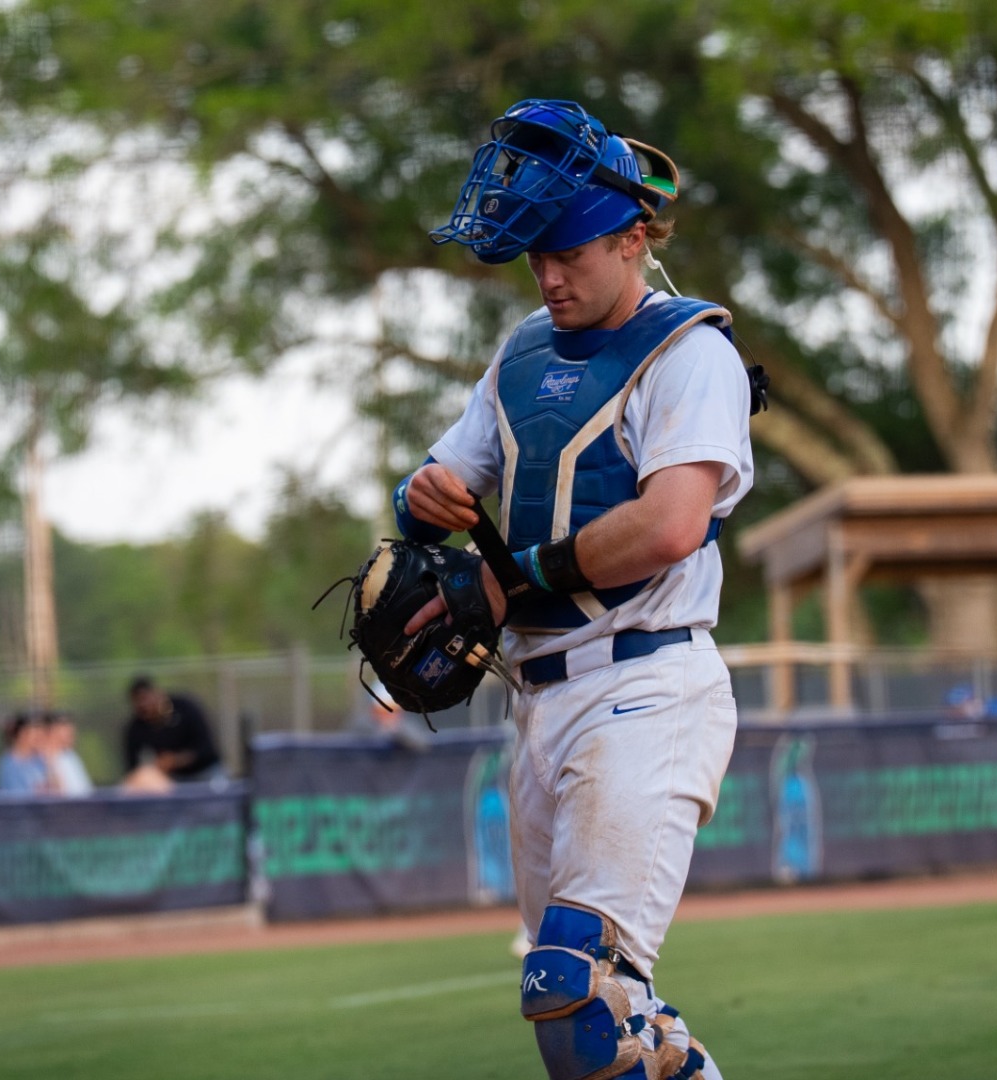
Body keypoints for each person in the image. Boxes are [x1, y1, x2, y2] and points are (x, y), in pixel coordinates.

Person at [409, 99, 753, 1080]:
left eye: (570, 252)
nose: (550, 275)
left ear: (633, 236)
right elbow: (446, 478)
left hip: (649, 687)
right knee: (587, 1015)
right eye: (536, 257)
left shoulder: (690, 354)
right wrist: (419, 504)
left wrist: (515, 577)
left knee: (578, 986)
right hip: (539, 704)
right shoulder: (519, 353)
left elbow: (673, 522)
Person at [121, 676, 220, 782]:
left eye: (146, 699)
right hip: (172, 780)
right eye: (139, 702)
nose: (144, 706)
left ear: (158, 694)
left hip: (206, 772)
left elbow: (207, 749)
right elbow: (133, 766)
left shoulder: (185, 708)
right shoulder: (136, 728)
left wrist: (176, 760)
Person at [42, 710, 94, 796]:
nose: (72, 732)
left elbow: (85, 791)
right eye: (65, 727)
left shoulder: (70, 756)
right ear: (52, 730)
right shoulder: (39, 760)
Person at [0, 712, 50, 794]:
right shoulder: (10, 765)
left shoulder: (38, 761)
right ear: (22, 734)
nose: (39, 739)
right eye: (35, 734)